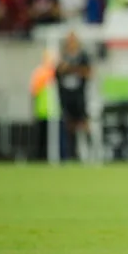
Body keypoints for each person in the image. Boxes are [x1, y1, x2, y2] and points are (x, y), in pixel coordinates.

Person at [56, 32, 92, 161]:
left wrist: (71, 69)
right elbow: (57, 72)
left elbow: (88, 72)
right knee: (69, 125)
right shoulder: (63, 56)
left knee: (84, 122)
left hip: (79, 96)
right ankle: (71, 153)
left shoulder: (83, 56)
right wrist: (63, 68)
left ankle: (91, 152)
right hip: (66, 96)